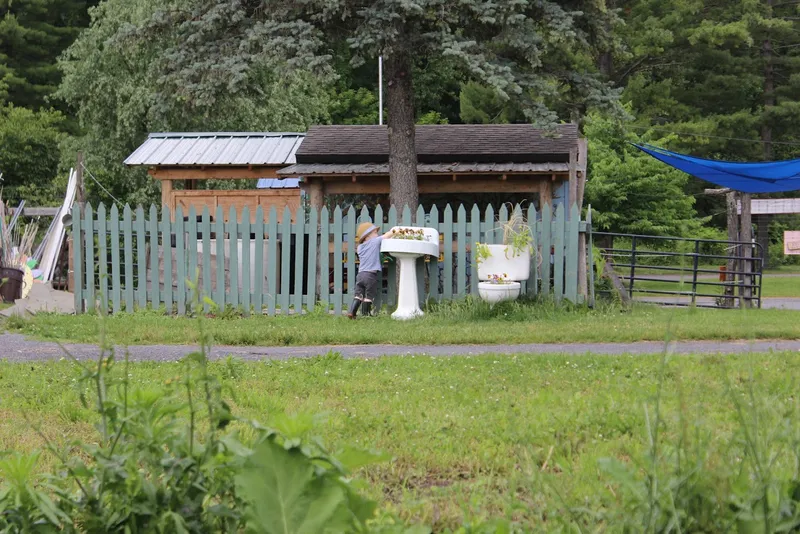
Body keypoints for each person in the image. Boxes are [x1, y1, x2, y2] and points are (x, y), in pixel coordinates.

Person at [347, 222, 396, 318]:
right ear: (367, 236)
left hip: (360, 274)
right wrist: (394, 231)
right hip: (370, 275)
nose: (377, 234)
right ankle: (366, 314)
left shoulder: (359, 247)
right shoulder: (374, 242)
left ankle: (352, 312)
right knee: (369, 295)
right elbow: (387, 236)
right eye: (375, 233)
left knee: (358, 294)